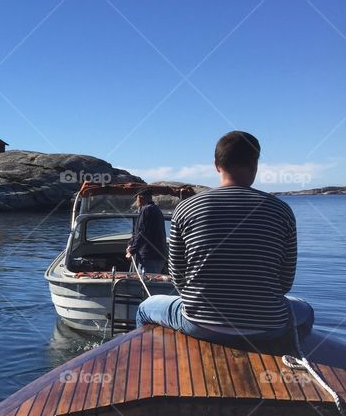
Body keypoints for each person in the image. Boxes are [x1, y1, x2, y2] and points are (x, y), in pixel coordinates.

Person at [136, 131, 313, 344]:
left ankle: (152, 366)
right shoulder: (281, 210)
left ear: (216, 165)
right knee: (306, 310)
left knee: (145, 308)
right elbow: (284, 283)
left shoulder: (186, 208)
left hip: (198, 323)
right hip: (268, 326)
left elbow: (178, 278)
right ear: (255, 165)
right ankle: (283, 358)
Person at [126, 188, 167, 274]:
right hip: (158, 256)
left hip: (150, 258)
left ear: (140, 198)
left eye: (136, 198)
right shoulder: (156, 209)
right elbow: (138, 232)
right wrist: (130, 243)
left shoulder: (146, 210)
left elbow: (142, 233)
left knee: (147, 284)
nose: (136, 201)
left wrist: (132, 251)